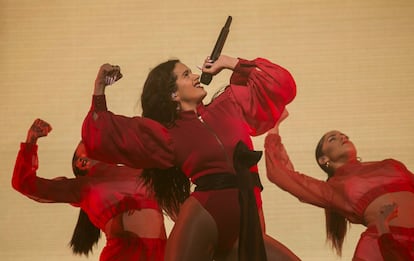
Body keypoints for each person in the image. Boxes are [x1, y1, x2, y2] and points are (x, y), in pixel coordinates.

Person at [81, 55, 300, 261]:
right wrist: (100, 86)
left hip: (246, 218)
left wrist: (228, 62)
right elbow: (104, 133)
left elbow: (281, 85)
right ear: (173, 94)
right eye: (186, 75)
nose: (195, 76)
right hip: (205, 214)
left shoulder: (230, 103)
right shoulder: (167, 133)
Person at [264, 109, 414, 260]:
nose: (342, 137)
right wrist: (274, 128)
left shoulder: (390, 164)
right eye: (332, 139)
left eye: (344, 135)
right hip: (379, 247)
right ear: (324, 160)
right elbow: (279, 173)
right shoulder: (333, 189)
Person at [12, 118, 167, 261]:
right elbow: (24, 183)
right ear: (82, 162)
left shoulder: (141, 172)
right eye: (88, 142)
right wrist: (31, 140)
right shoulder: (83, 187)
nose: (97, 141)